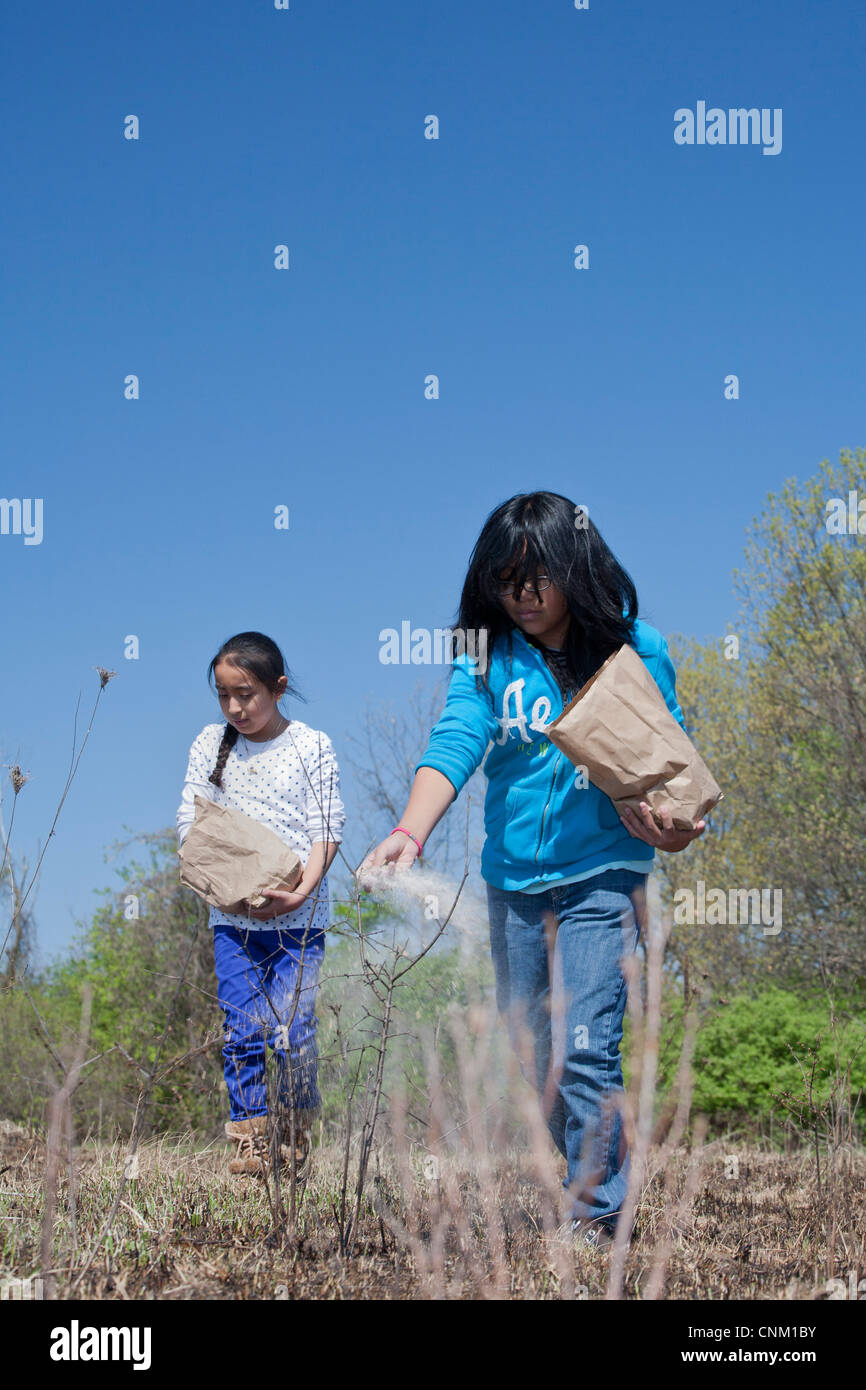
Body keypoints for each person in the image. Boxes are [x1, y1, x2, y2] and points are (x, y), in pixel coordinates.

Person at [361, 492, 705, 1250]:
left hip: (604, 876)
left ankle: (597, 1214)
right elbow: (456, 740)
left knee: (586, 1045)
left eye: (535, 577)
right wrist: (408, 835)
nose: (521, 595)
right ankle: (598, 1163)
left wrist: (675, 832)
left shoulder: (633, 648)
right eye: (505, 580)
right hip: (513, 881)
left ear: (574, 568)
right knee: (535, 1060)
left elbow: (671, 775)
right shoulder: (487, 657)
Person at [176, 631, 344, 1179]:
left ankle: (293, 1134)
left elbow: (327, 829)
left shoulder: (311, 745)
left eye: (245, 694)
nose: (234, 707)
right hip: (233, 921)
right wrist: (231, 893)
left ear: (278, 687)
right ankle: (249, 1139)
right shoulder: (209, 745)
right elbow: (190, 824)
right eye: (224, 695)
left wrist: (301, 891)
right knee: (242, 1028)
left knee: (293, 1030)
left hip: (300, 922)